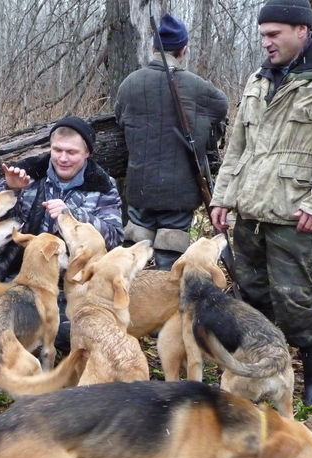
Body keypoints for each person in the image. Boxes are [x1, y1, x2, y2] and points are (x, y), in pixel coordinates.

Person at [210, 0, 312, 406]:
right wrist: (223, 196)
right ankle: (265, 369)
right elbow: (238, 145)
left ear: (302, 30)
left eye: (273, 34)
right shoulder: (260, 76)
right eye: (262, 34)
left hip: (294, 211)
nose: (265, 42)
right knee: (254, 295)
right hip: (250, 208)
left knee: (296, 300)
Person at [0, 116, 124, 349]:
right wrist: (9, 190)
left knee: (66, 333)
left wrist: (72, 216)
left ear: (87, 154)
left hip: (69, 288)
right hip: (18, 278)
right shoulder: (27, 173)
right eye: (57, 150)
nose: (63, 158)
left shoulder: (103, 185)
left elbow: (114, 237)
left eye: (71, 152)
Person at [115, 13, 228, 270]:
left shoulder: (129, 84)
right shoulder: (202, 89)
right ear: (183, 50)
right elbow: (221, 110)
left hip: (139, 190)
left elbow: (120, 120)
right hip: (179, 196)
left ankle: (131, 307)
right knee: (169, 266)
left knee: (132, 263)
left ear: (153, 47)